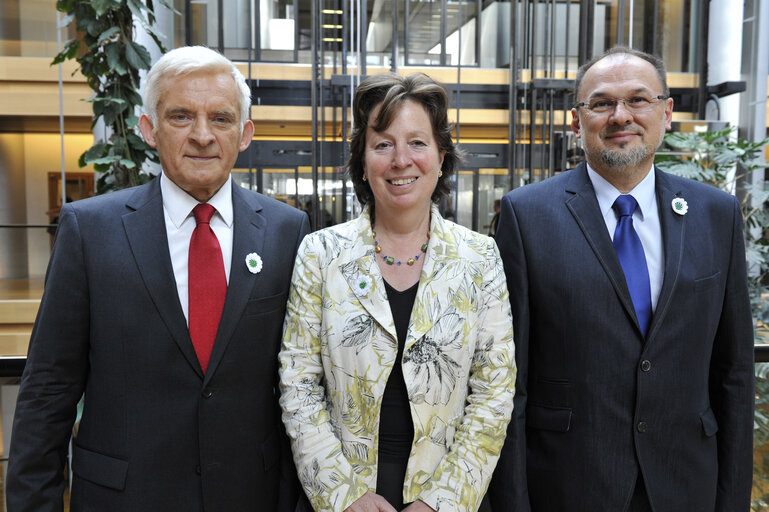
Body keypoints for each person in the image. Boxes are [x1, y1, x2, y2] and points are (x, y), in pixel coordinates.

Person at [7, 46, 308, 511]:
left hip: (251, 495)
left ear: (245, 134)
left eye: (222, 119)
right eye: (181, 117)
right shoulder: (89, 230)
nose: (203, 136)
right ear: (149, 128)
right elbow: (49, 388)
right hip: (126, 498)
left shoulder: (288, 231)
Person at [488, 46, 754, 511]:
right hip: (568, 485)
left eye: (638, 100)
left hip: (685, 483)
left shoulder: (717, 214)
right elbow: (511, 383)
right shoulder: (526, 215)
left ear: (666, 112)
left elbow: (733, 373)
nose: (620, 116)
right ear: (577, 120)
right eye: (601, 103)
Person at [279, 73, 516, 512]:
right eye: (383, 144)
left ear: (441, 157)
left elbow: (494, 392)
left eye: (418, 143)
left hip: (447, 494)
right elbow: (299, 385)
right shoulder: (320, 253)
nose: (401, 160)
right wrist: (343, 496)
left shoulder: (481, 258)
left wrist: (442, 502)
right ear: (363, 161)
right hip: (340, 493)